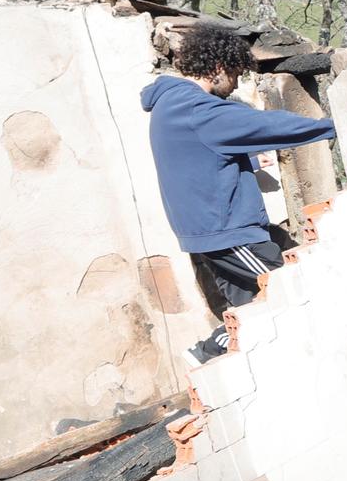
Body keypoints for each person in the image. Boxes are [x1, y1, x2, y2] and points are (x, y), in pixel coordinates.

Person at [141, 21, 337, 361]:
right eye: (233, 75)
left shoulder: (171, 104)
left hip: (210, 231)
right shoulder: (197, 110)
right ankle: (207, 352)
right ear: (217, 68)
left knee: (251, 310)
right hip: (229, 232)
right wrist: (330, 127)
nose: (233, 86)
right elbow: (265, 125)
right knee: (285, 292)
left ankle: (212, 362)